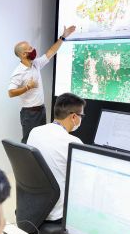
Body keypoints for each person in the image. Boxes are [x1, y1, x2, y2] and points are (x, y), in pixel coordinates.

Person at [8, 25, 76, 143]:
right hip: (29, 114)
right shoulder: (18, 72)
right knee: (29, 143)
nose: (33, 49)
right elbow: (10, 92)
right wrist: (27, 87)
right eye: (30, 48)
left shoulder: (36, 64)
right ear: (24, 54)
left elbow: (51, 51)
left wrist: (63, 37)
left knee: (40, 141)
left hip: (41, 111)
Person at [26, 93, 86, 222]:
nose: (81, 119)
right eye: (82, 116)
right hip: (57, 214)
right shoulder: (73, 143)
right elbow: (84, 183)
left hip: (33, 206)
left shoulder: (35, 131)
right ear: (74, 117)